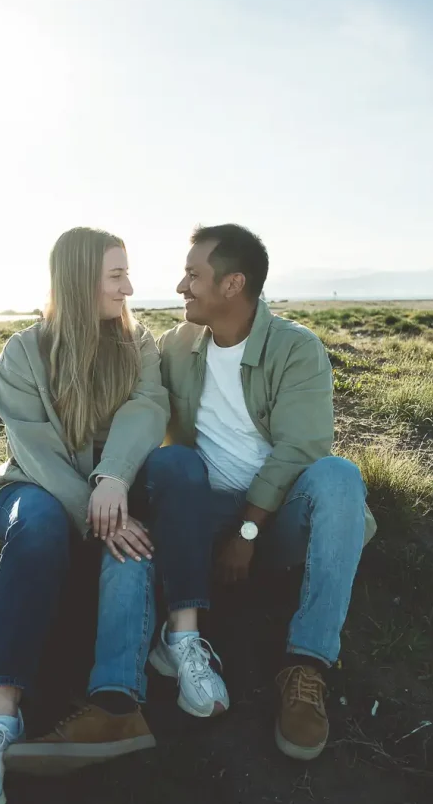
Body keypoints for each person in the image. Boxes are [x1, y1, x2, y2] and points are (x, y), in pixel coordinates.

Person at [0, 226, 181, 804]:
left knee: (133, 547)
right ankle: (0, 720)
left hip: (115, 488)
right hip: (36, 486)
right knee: (40, 529)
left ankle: (113, 706)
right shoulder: (21, 355)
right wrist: (96, 513)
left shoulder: (139, 344)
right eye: (116, 275)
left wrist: (113, 481)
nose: (130, 287)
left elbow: (148, 407)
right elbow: (40, 453)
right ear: (78, 281)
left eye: (127, 273)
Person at [151, 224, 376, 761]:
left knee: (339, 475)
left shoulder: (297, 349)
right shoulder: (176, 346)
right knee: (169, 468)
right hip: (201, 512)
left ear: (232, 285)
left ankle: (307, 667)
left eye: (192, 275)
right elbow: (136, 404)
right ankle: (160, 642)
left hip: (274, 520)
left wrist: (248, 532)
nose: (181, 287)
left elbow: (301, 448)